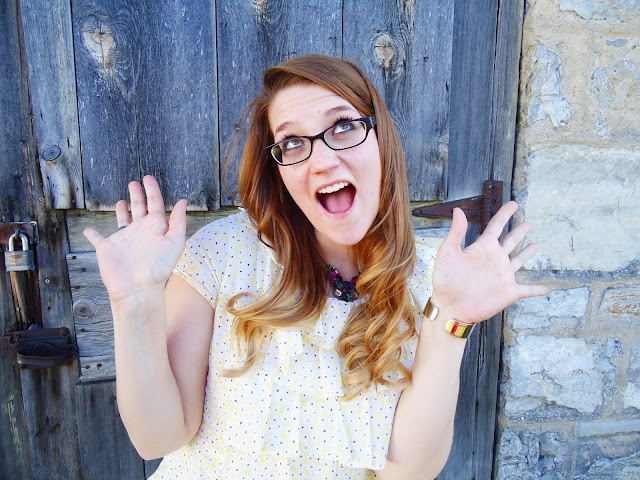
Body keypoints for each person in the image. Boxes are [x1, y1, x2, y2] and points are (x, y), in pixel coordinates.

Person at [83, 54, 547, 480]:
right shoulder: (223, 252)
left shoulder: (435, 276)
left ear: (381, 140)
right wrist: (133, 303)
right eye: (292, 142)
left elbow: (410, 472)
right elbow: (158, 439)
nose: (323, 161)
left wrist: (453, 319)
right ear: (279, 169)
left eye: (343, 126)